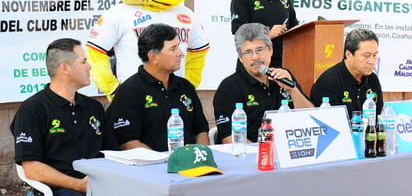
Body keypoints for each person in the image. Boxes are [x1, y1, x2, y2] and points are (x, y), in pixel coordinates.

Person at [10, 38, 105, 196]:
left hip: (102, 185)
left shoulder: (94, 107)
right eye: (84, 62)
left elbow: (110, 151)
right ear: (65, 69)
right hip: (62, 190)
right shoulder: (32, 110)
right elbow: (32, 168)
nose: (90, 67)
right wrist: (79, 185)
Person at [104, 23, 209, 151]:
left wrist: (197, 154)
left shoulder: (185, 86)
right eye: (173, 49)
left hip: (191, 165)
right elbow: (128, 143)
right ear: (153, 57)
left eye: (179, 47)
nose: (181, 53)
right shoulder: (129, 91)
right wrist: (165, 162)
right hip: (150, 168)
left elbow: (201, 130)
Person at [213, 23, 313, 143]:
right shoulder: (229, 87)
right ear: (240, 58)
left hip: (290, 151)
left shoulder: (283, 76)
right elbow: (229, 138)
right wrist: (265, 154)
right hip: (254, 157)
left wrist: (293, 90)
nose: (255, 57)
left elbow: (311, 119)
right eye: (248, 52)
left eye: (259, 50)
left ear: (270, 50)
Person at [310, 28, 384, 118]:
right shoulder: (329, 83)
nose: (372, 61)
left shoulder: (373, 79)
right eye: (366, 56)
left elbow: (380, 118)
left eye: (375, 55)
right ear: (348, 55)